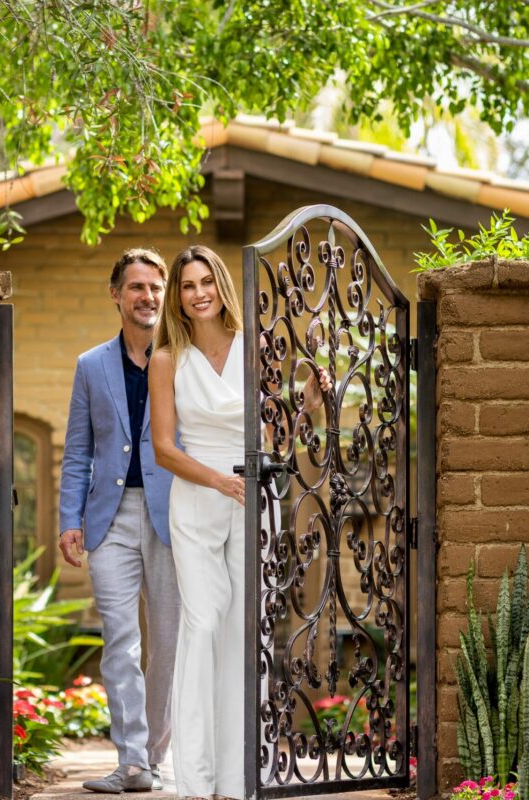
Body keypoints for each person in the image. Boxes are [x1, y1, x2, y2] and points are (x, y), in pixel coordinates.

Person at [149, 245, 330, 800]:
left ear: (221, 287)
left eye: (206, 281)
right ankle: (196, 776)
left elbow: (278, 435)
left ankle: (237, 774)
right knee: (203, 623)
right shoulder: (166, 360)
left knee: (241, 629)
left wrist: (312, 400)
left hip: (253, 499)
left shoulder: (257, 348)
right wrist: (219, 481)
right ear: (177, 297)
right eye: (187, 285)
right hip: (199, 497)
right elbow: (162, 448)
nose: (198, 292)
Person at [59, 248, 180, 793]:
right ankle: (131, 761)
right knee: (121, 641)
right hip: (108, 520)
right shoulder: (91, 366)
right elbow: (77, 449)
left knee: (170, 643)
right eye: (137, 287)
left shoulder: (182, 358)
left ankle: (156, 755)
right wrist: (69, 518)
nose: (148, 296)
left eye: (156, 287)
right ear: (117, 295)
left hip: (173, 515)